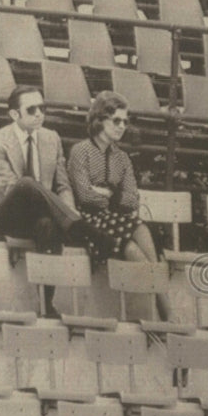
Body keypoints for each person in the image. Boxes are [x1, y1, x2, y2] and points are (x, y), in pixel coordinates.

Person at [0, 85, 106, 318]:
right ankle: (81, 227)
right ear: (14, 114)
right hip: (8, 215)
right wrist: (67, 214)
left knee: (48, 224)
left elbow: (63, 186)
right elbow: (9, 187)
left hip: (41, 216)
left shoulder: (51, 138)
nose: (39, 114)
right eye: (31, 109)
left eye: (42, 108)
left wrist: (65, 209)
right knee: (25, 183)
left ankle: (47, 305)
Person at [67, 91, 169, 321]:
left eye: (125, 121)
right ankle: (159, 313)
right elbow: (84, 196)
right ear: (99, 120)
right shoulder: (80, 151)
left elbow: (132, 199)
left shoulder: (122, 158)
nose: (122, 126)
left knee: (141, 229)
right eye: (116, 120)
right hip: (88, 222)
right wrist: (114, 196)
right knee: (132, 249)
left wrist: (106, 194)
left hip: (117, 219)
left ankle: (164, 312)